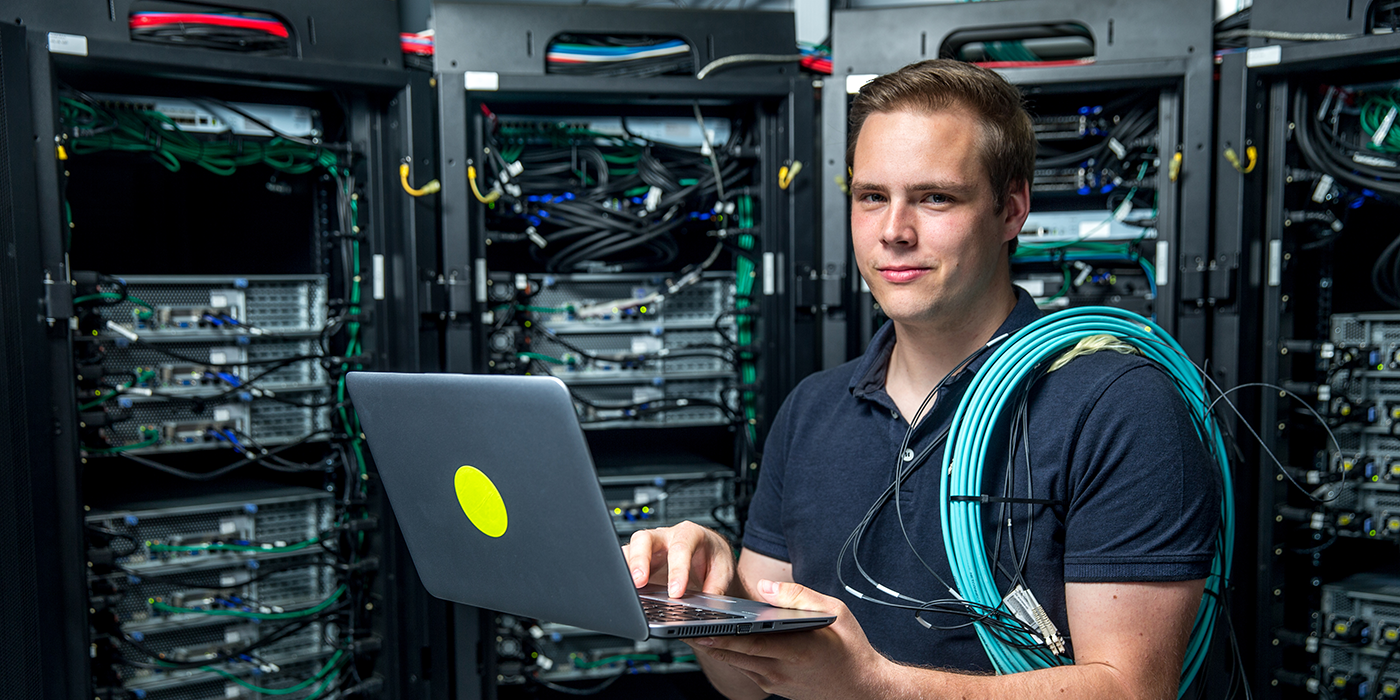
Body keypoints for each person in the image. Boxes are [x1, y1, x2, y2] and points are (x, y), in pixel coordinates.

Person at [624, 59, 1220, 700]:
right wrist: (713, 598)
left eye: (936, 197)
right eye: (871, 197)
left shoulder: (1117, 406)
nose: (893, 232)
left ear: (1011, 208)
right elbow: (746, 686)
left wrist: (873, 685)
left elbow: (1131, 691)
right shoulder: (812, 410)